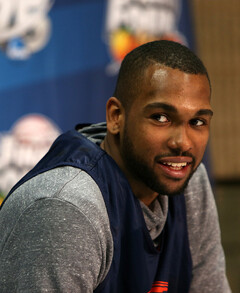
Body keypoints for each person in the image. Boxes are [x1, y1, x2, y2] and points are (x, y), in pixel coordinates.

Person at [0, 40, 231, 293]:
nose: (183, 143)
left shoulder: (188, 180)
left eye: (197, 121)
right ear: (116, 117)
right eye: (161, 118)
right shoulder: (67, 208)